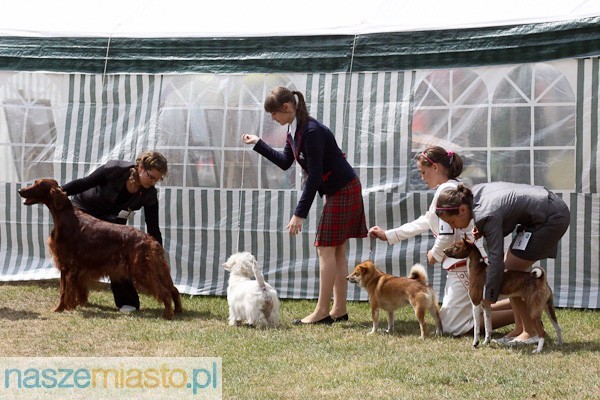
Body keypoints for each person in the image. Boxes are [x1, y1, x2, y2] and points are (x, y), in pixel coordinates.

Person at [242, 87, 368, 325]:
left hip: (344, 190)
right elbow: (285, 162)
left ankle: (322, 311)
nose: (273, 119)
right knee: (336, 249)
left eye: (274, 114)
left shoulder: (310, 131)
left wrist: (299, 213)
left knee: (325, 248)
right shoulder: (294, 130)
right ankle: (339, 309)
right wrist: (259, 143)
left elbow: (316, 175)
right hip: (339, 190)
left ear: (287, 108)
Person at [369, 146, 514, 336]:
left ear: (435, 167)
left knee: (453, 327)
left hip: (462, 264)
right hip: (461, 264)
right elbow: (428, 220)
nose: (422, 177)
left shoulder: (446, 192)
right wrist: (390, 235)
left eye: (423, 172)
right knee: (454, 316)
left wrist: (434, 255)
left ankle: (520, 310)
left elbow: (446, 235)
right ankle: (518, 306)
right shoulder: (451, 188)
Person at [435, 182, 570, 344]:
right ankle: (520, 329)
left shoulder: (485, 214)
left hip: (551, 217)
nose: (453, 226)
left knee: (509, 269)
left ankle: (531, 332)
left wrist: (490, 296)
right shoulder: (472, 196)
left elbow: (495, 258)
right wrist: (483, 229)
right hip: (544, 212)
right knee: (509, 269)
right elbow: (505, 215)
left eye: (452, 222)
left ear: (462, 210)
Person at [61, 151, 168, 313]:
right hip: (86, 210)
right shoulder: (115, 169)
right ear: (140, 167)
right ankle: (74, 296)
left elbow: (153, 226)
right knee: (77, 256)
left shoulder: (150, 194)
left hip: (112, 220)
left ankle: (128, 302)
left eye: (157, 179)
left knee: (120, 255)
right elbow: (85, 182)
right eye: (150, 176)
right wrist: (59, 191)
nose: (152, 182)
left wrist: (159, 253)